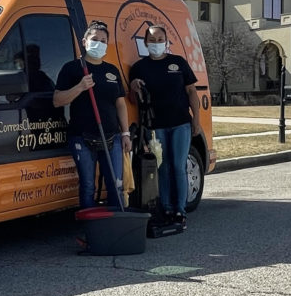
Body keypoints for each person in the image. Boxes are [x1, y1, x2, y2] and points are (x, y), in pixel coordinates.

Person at [54, 21, 132, 209]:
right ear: (84, 41)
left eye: (103, 41)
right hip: (82, 136)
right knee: (88, 185)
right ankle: (91, 223)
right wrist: (80, 87)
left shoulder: (111, 70)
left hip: (111, 136)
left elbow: (120, 104)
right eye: (95, 39)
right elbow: (57, 100)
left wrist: (125, 133)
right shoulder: (72, 68)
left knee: (116, 184)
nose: (99, 43)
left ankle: (117, 221)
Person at [129, 24, 200, 224]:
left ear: (166, 41)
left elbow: (192, 92)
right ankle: (166, 208)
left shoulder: (178, 62)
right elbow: (133, 100)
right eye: (152, 40)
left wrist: (196, 119)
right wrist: (133, 88)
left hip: (180, 123)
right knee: (163, 166)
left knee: (178, 165)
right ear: (145, 42)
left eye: (160, 40)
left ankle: (180, 210)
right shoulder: (139, 67)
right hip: (156, 125)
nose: (156, 43)